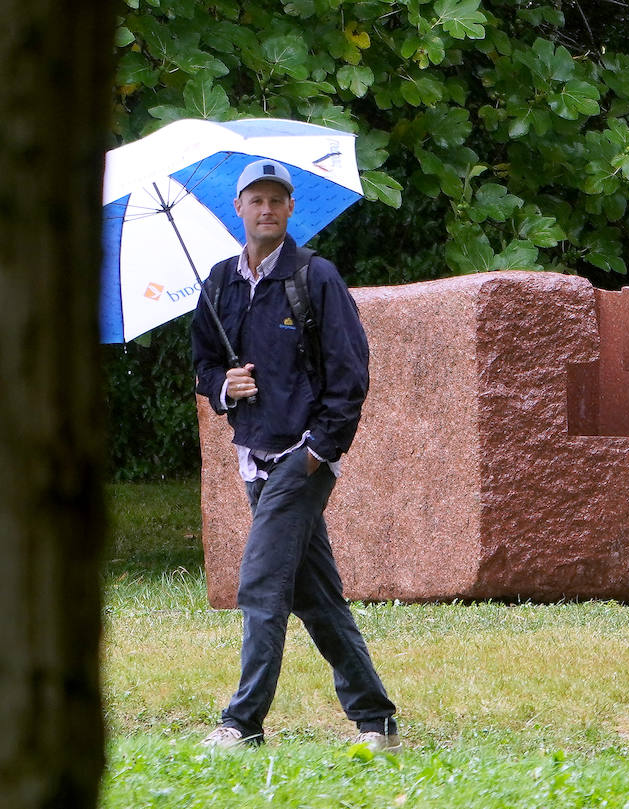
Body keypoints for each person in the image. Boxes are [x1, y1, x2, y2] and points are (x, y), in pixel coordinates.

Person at [193, 159, 399, 752]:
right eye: (256, 200)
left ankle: (242, 723)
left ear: (290, 209)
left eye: (277, 201)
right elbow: (204, 366)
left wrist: (318, 451)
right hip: (252, 457)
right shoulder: (218, 284)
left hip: (301, 459)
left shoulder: (316, 277)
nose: (267, 210)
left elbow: (350, 371)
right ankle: (376, 721)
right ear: (239, 209)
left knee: (260, 584)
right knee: (316, 596)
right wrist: (224, 388)